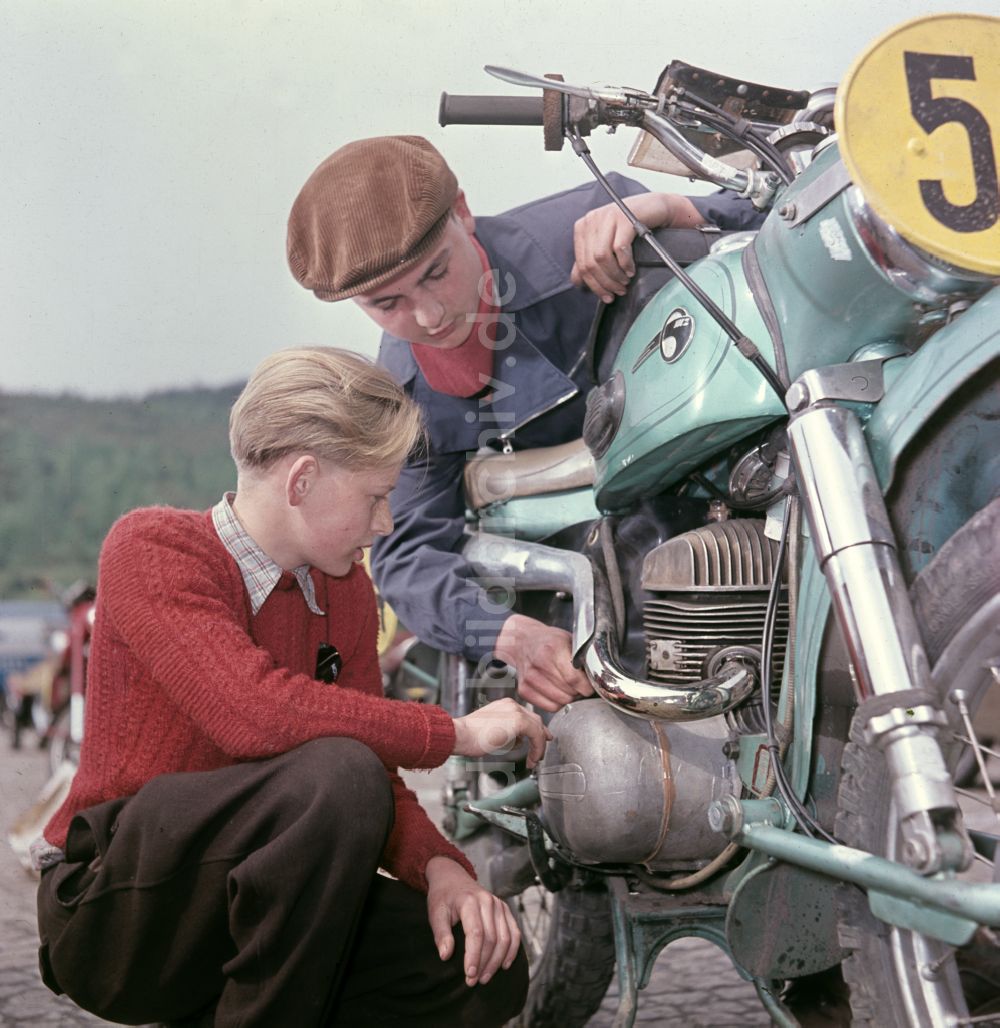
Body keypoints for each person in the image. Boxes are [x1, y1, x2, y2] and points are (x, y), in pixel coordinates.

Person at [34, 347, 546, 1027]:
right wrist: (456, 732)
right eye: (376, 496)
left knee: (483, 965)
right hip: (118, 916)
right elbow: (252, 712)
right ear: (302, 480)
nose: (386, 524)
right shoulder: (151, 547)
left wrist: (443, 870)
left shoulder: (350, 595)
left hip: (255, 908)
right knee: (337, 771)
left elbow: (378, 779)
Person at [287, 135, 765, 713]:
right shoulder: (404, 393)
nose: (429, 315)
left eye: (437, 272)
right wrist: (506, 635)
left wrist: (670, 211)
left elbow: (781, 233)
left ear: (462, 210)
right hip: (593, 570)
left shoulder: (591, 226)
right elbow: (407, 550)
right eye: (388, 305)